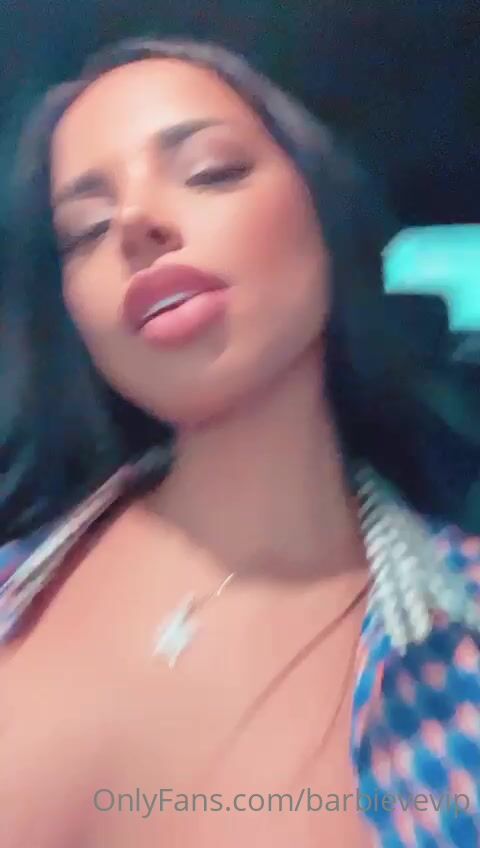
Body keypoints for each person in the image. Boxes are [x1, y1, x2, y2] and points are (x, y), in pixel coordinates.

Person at [0, 38, 479, 848]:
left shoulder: (462, 640)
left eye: (210, 171)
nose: (134, 225)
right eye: (86, 230)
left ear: (325, 220)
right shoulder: (16, 575)